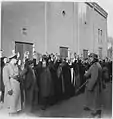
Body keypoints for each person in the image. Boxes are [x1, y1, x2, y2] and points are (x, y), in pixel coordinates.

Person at [84, 53, 103, 118]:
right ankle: (97, 110)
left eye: (91, 58)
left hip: (95, 85)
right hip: (98, 84)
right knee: (97, 99)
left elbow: (94, 78)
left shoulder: (95, 66)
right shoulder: (98, 65)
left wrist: (89, 86)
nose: (90, 59)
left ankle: (95, 112)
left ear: (94, 58)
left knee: (95, 99)